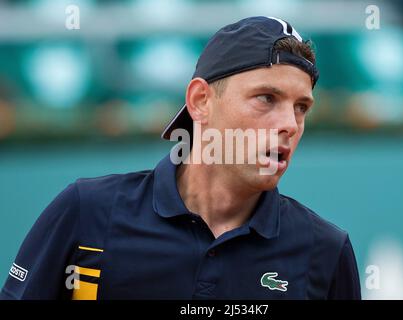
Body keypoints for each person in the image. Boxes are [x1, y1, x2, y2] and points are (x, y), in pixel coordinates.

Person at [0, 16, 361, 300]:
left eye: (301, 108)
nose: (289, 124)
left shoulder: (326, 251)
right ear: (201, 100)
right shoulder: (86, 211)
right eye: (266, 98)